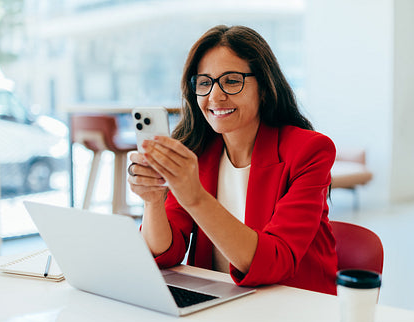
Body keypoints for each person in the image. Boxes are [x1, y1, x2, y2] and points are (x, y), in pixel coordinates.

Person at [127, 25, 337, 295]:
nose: (215, 96)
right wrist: (152, 201)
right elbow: (166, 252)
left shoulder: (309, 151)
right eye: (204, 82)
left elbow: (276, 261)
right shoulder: (198, 153)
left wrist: (196, 198)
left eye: (232, 80)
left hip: (293, 306)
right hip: (221, 303)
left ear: (263, 86)